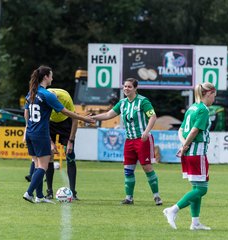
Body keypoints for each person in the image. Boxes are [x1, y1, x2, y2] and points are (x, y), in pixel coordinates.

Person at [22, 65, 94, 204]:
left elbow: (26, 112)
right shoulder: (47, 95)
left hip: (30, 132)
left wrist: (27, 127)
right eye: (51, 75)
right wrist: (84, 118)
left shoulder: (31, 92)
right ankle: (29, 193)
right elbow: (65, 112)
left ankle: (40, 196)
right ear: (46, 77)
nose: (52, 78)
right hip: (41, 134)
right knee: (43, 166)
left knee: (37, 165)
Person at [92, 78, 163, 205]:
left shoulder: (143, 101)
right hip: (129, 140)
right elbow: (109, 115)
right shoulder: (123, 103)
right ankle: (129, 198)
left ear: (135, 88)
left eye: (129, 87)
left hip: (142, 139)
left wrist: (146, 132)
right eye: (125, 86)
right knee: (128, 170)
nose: (126, 89)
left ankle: (157, 196)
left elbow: (152, 116)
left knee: (147, 167)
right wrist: (92, 118)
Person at [163, 82, 216, 231]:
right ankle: (173, 209)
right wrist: (186, 145)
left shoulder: (191, 108)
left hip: (189, 153)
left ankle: (195, 223)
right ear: (208, 93)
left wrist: (184, 145)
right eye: (214, 95)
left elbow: (180, 130)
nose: (214, 99)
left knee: (196, 187)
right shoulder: (203, 110)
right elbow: (193, 131)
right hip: (197, 153)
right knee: (202, 189)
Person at [25, 88, 79, 200]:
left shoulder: (65, 97)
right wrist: (50, 143)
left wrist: (71, 141)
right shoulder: (44, 96)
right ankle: (49, 191)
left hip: (65, 122)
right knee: (48, 155)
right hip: (49, 124)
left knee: (69, 154)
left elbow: (74, 118)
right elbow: (40, 121)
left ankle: (73, 192)